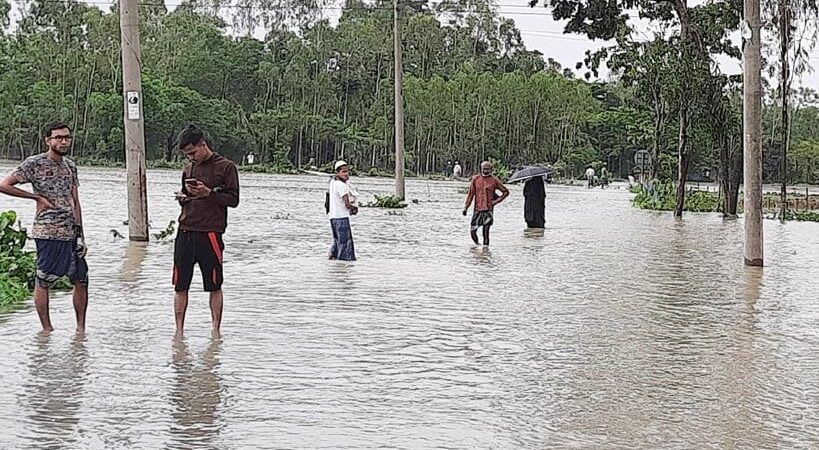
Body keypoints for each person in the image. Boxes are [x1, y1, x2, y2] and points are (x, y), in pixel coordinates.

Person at [0, 122, 88, 333]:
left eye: (66, 137)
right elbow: (4, 185)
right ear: (48, 141)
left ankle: (80, 330)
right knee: (45, 279)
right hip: (48, 231)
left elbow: (75, 200)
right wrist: (36, 197)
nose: (63, 141)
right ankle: (47, 329)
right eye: (58, 138)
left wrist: (81, 234)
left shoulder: (70, 166)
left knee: (81, 279)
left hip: (70, 231)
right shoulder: (35, 163)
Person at [172, 124, 240, 336]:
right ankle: (179, 332)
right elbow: (187, 199)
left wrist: (209, 193)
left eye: (192, 153)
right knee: (180, 285)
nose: (190, 157)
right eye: (186, 154)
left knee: (214, 284)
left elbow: (233, 200)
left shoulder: (226, 167)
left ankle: (215, 331)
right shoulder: (187, 169)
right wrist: (184, 198)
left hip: (211, 232)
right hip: (185, 230)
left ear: (203, 145)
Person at [462, 161, 509, 246]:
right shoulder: (476, 179)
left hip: (488, 210)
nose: (486, 171)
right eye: (484, 169)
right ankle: (477, 246)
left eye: (488, 169)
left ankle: (485, 251)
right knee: (473, 231)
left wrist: (496, 201)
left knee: (486, 232)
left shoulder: (494, 180)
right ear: (481, 169)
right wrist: (466, 207)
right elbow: (470, 195)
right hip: (477, 209)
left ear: (491, 169)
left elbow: (506, 192)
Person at [327, 161, 358, 261]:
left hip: (333, 218)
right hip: (342, 218)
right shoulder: (341, 185)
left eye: (347, 172)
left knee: (338, 241)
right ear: (338, 173)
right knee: (346, 244)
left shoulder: (333, 183)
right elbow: (347, 204)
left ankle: (333, 260)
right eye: (343, 172)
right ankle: (343, 266)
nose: (346, 174)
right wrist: (354, 208)